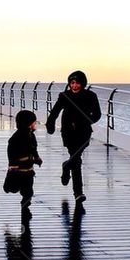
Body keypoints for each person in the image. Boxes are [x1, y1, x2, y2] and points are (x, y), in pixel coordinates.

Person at [45, 70, 101, 203]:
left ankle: (66, 165)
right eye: (72, 83)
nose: (74, 86)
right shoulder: (65, 96)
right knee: (76, 160)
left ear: (83, 84)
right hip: (69, 132)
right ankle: (78, 193)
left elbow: (97, 114)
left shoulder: (91, 95)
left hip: (84, 132)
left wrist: (87, 120)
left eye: (77, 83)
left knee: (75, 158)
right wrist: (50, 125)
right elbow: (55, 112)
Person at [5, 109, 42, 211]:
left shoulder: (31, 135)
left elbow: (34, 149)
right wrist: (13, 168)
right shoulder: (16, 138)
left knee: (28, 188)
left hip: (29, 169)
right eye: (34, 122)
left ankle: (25, 202)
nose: (35, 124)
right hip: (20, 168)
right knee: (22, 187)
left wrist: (37, 158)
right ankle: (24, 201)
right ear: (29, 124)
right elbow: (11, 153)